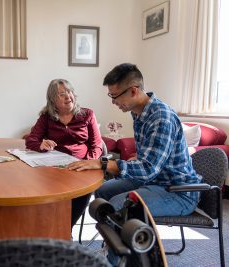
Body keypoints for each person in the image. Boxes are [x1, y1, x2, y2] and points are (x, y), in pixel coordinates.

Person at [67, 63, 201, 264]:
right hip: (155, 181)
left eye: (114, 96)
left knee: (118, 205)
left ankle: (115, 260)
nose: (113, 102)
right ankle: (116, 246)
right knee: (103, 191)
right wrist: (137, 158)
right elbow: (150, 158)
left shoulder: (161, 116)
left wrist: (105, 164)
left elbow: (148, 169)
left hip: (177, 191)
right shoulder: (138, 112)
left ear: (133, 90)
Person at [25, 78, 103, 229]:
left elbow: (97, 146)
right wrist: (41, 144)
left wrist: (88, 162)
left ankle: (66, 229)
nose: (68, 96)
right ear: (53, 100)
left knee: (81, 193)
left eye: (70, 92)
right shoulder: (46, 117)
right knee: (45, 191)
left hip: (81, 167)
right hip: (55, 169)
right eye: (62, 94)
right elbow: (30, 140)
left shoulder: (87, 114)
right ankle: (50, 227)